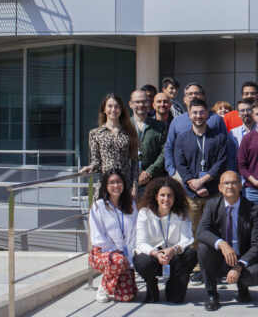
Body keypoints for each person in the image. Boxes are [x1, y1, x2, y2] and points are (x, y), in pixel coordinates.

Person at [195, 170, 258, 311]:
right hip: (220, 256)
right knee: (203, 248)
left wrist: (239, 265)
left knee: (255, 274)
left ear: (241, 186)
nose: (230, 186)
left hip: (242, 257)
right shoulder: (212, 205)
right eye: (226, 183)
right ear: (220, 188)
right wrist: (222, 244)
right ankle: (212, 294)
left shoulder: (253, 209)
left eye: (234, 183)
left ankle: (243, 287)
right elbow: (201, 232)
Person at [133, 176, 197, 303]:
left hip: (173, 254)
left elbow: (187, 238)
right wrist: (156, 253)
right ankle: (151, 286)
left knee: (191, 254)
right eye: (162, 195)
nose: (166, 199)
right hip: (153, 255)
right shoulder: (144, 213)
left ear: (175, 197)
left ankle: (174, 285)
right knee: (143, 261)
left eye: (169, 195)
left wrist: (173, 249)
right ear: (156, 196)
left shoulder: (181, 213)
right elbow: (141, 243)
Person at [173, 98, 230, 235]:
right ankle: (195, 257)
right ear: (189, 114)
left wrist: (201, 181)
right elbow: (180, 164)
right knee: (192, 231)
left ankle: (214, 257)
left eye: (202, 112)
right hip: (191, 194)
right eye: (195, 113)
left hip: (214, 193)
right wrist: (195, 185)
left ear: (208, 114)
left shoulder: (219, 137)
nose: (198, 116)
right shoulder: (182, 138)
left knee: (215, 230)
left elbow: (221, 162)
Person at [88, 169, 137, 303]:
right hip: (102, 253)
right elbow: (97, 237)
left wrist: (128, 254)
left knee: (127, 297)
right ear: (105, 186)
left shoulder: (130, 204)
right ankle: (103, 286)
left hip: (125, 254)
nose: (116, 186)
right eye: (112, 183)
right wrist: (116, 251)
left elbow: (134, 232)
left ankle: (114, 282)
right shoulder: (99, 206)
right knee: (118, 260)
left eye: (119, 182)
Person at [163, 83, 228, 176]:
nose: (193, 96)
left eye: (197, 93)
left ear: (203, 97)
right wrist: (172, 171)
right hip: (182, 176)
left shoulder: (216, 119)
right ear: (184, 99)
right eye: (190, 94)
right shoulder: (177, 121)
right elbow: (169, 147)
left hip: (211, 176)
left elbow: (224, 147)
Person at [80, 93, 138, 195]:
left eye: (117, 106)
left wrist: (134, 187)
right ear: (104, 109)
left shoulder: (130, 132)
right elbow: (96, 160)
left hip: (125, 184)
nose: (113, 109)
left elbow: (135, 162)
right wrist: (90, 167)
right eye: (110, 106)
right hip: (106, 183)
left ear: (121, 109)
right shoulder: (95, 133)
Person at [129, 90, 166, 189]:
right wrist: (138, 174)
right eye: (137, 102)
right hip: (129, 181)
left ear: (149, 103)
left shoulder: (160, 126)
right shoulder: (124, 126)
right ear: (130, 104)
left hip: (154, 181)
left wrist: (148, 173)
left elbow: (165, 152)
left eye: (144, 101)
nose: (141, 104)